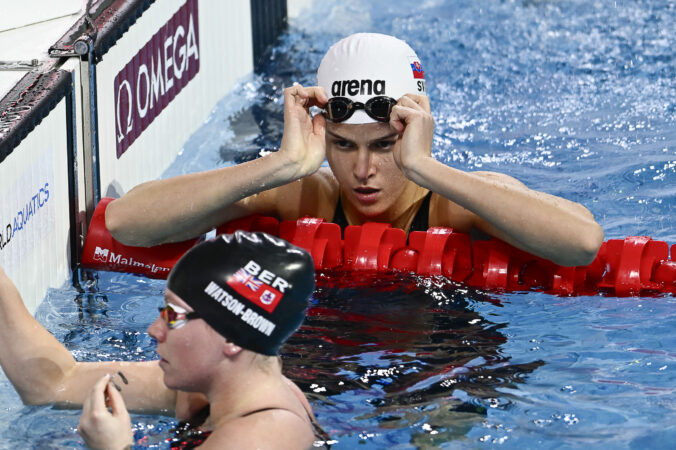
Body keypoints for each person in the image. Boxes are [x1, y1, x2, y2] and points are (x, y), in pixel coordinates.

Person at [105, 32, 603, 267]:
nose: (363, 170)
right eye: (343, 146)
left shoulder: (454, 202)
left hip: (443, 354)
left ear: (412, 131)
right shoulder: (305, 195)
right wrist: (280, 165)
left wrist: (424, 167)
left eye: (384, 145)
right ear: (323, 133)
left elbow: (582, 243)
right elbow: (127, 223)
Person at [0, 231, 326, 449]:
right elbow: (52, 384)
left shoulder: (261, 438)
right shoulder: (207, 390)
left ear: (232, 338)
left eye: (174, 314)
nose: (155, 329)